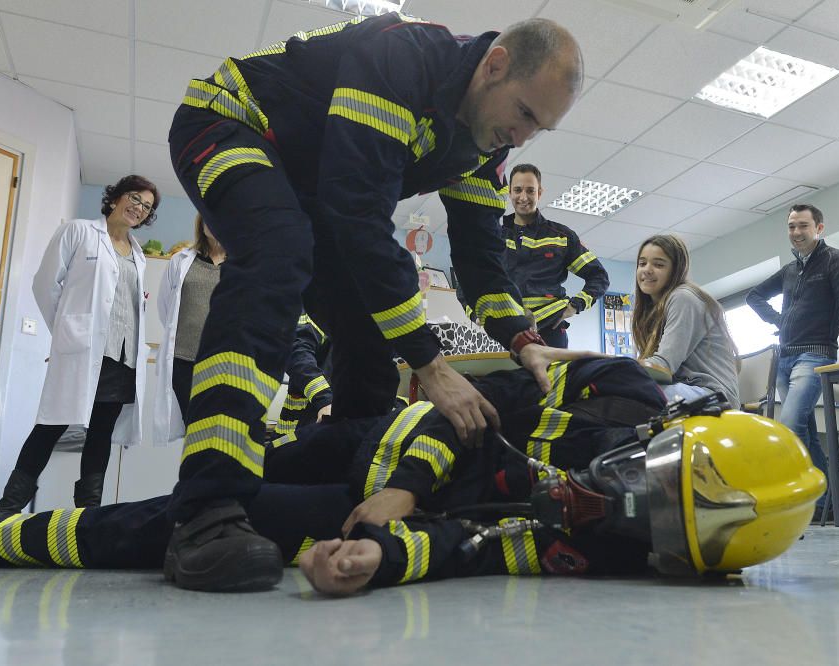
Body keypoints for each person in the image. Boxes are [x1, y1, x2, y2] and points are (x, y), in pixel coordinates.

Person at [164, 13, 589, 591]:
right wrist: (430, 366)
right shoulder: (405, 60)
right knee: (277, 252)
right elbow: (357, 213)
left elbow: (480, 263)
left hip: (310, 185)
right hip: (230, 122)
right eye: (524, 114)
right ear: (495, 66)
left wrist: (526, 343)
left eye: (541, 129)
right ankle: (205, 508)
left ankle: (344, 472)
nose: (522, 139)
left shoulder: (481, 150)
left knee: (364, 327)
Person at [0, 357, 824, 598]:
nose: (615, 493)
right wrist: (407, 491)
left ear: (681, 559)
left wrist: (384, 558)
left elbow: (479, 549)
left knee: (203, 518)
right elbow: (473, 410)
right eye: (649, 469)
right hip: (376, 447)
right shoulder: (623, 390)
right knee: (220, 475)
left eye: (651, 515)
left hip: (368, 505)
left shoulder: (607, 551)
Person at [0, 176, 159, 522]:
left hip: (122, 359)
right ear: (115, 198)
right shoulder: (79, 232)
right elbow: (45, 284)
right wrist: (65, 333)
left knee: (100, 436)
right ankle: (5, 512)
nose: (138, 208)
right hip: (84, 353)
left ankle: (87, 517)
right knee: (50, 426)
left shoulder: (139, 254)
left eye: (147, 206)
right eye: (135, 198)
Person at [746, 204, 839, 518]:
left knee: (788, 427)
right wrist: (781, 320)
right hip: (785, 358)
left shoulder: (834, 260)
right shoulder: (790, 270)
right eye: (791, 226)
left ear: (819, 228)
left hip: (815, 356)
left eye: (803, 225)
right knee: (808, 434)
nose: (797, 232)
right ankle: (824, 504)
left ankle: (804, 503)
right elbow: (754, 296)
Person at [502, 163, 610, 348]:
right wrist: (477, 314)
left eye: (530, 190)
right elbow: (469, 278)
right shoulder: (495, 235)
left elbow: (599, 277)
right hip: (508, 330)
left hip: (551, 331)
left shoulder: (561, 236)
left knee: (553, 378)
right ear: (509, 192)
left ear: (540, 193)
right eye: (518, 190)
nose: (523, 197)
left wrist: (576, 306)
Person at [632, 234, 740, 409]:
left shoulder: (683, 297)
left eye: (658, 264)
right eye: (642, 263)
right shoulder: (649, 312)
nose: (647, 269)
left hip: (713, 396)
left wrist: (612, 367)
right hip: (685, 389)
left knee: (631, 392)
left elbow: (664, 367)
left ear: (675, 270)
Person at [154, 213, 226, 445]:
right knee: (194, 432)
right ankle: (194, 480)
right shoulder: (182, 260)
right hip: (183, 362)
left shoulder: (240, 265)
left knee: (219, 434)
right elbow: (165, 306)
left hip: (221, 363)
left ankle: (210, 481)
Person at [270, 315, 333, 442]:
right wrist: (324, 399)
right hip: (308, 426)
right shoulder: (321, 304)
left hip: (344, 427)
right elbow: (297, 352)